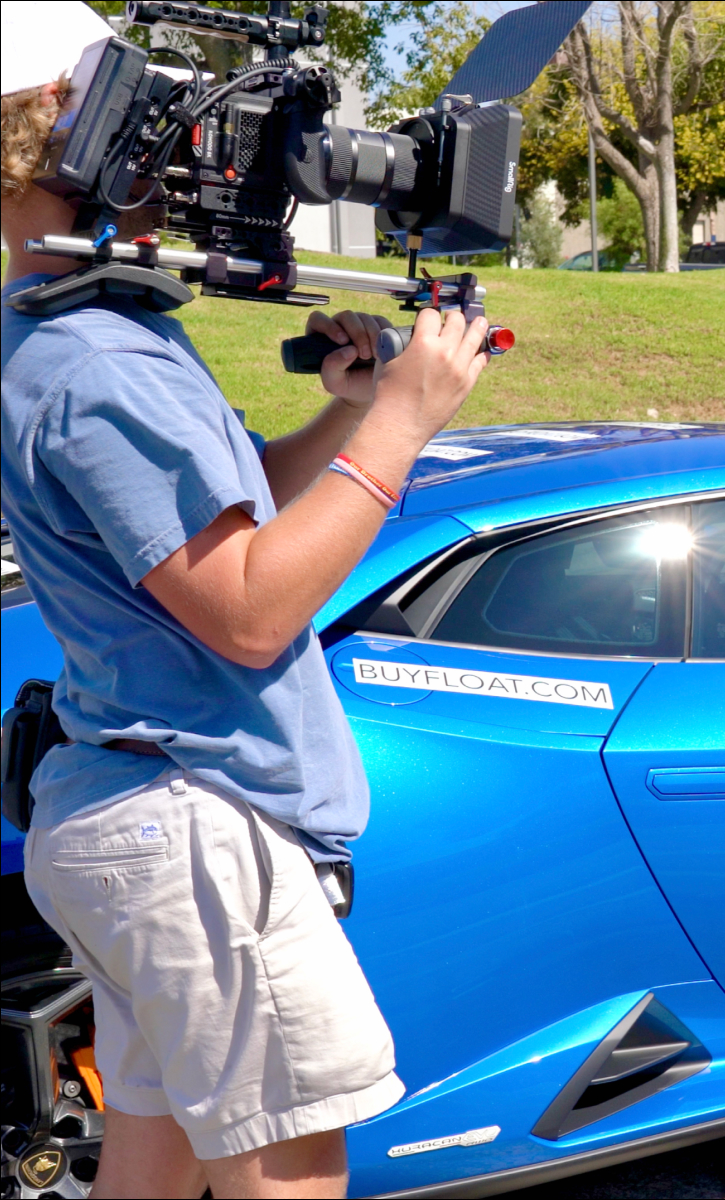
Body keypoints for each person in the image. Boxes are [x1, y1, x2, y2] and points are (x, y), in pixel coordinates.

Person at [1, 7, 493, 1196]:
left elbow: (200, 524)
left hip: (134, 807)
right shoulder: (104, 366)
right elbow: (248, 610)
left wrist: (343, 416)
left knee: (152, 1171)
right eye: (153, 117)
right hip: (197, 826)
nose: (186, 153)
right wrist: (403, 426)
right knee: (289, 1175)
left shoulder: (62, 333)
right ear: (74, 138)